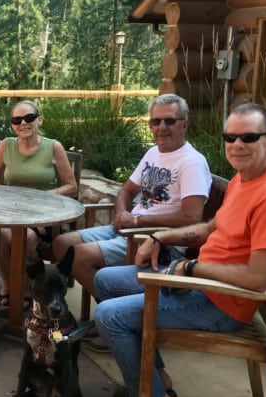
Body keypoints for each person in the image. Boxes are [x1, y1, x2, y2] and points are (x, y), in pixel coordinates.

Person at [93, 103, 266, 397]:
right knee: (106, 280)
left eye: (248, 137)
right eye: (230, 137)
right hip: (201, 285)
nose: (237, 145)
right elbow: (208, 230)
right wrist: (160, 237)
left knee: (109, 316)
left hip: (222, 303)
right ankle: (155, 380)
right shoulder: (244, 180)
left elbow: (257, 279)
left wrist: (191, 267)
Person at [51, 93, 212, 349]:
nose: (162, 128)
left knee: (80, 257)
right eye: (155, 121)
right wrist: (123, 214)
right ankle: (112, 314)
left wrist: (136, 220)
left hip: (158, 241)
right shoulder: (153, 153)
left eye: (169, 121)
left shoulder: (191, 162)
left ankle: (118, 322)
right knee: (62, 244)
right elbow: (125, 191)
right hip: (132, 227)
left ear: (184, 124)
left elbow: (192, 217)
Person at [0, 100, 78, 308]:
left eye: (29, 118)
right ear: (12, 125)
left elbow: (71, 186)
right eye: (17, 120)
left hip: (43, 216)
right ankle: (8, 286)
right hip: (10, 213)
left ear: (39, 120)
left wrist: (45, 197)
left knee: (27, 238)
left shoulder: (53, 147)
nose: (23, 123)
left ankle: (26, 288)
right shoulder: (6, 145)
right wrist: (2, 194)